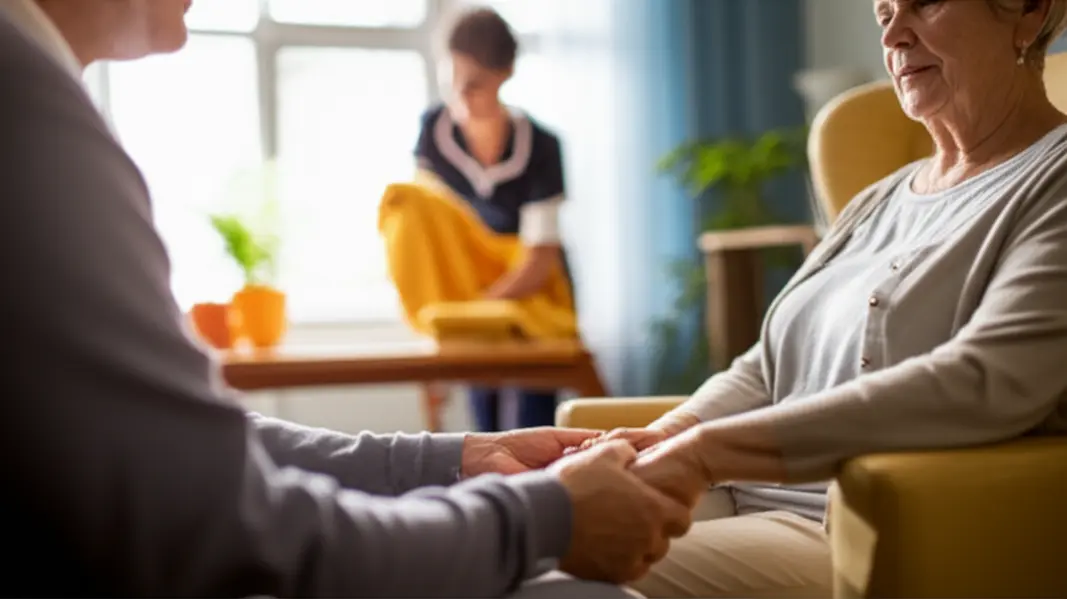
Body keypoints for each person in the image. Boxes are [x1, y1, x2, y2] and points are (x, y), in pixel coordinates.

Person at [0, 1, 693, 596]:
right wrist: (546, 516)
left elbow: (200, 455)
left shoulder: (39, 94)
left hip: (518, 303)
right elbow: (236, 523)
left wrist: (458, 458)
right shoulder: (33, 115)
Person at [575, 0, 1067, 597]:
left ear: (1027, 11)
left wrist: (705, 452)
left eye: (926, 4)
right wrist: (669, 435)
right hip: (735, 495)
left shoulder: (1052, 178)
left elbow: (987, 380)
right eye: (884, 12)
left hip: (842, 524)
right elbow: (766, 364)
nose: (895, 32)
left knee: (543, 570)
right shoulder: (876, 200)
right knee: (495, 530)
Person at [411, 7, 572, 432]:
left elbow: (540, 258)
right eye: (455, 83)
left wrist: (479, 309)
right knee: (486, 434)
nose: (463, 97)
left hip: (530, 301)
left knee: (532, 428)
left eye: (476, 85)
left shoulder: (540, 147)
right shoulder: (434, 134)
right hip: (468, 300)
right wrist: (449, 323)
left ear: (505, 75)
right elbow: (426, 235)